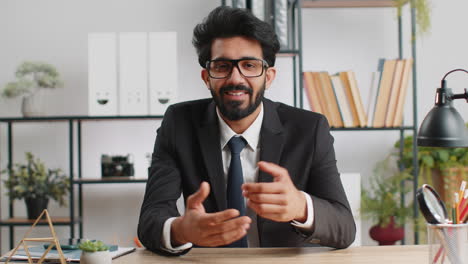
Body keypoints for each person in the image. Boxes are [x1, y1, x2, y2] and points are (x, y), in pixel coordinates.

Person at [138, 6, 356, 256]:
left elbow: (345, 227)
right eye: (222, 66)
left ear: (269, 76)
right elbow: (150, 219)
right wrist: (180, 230)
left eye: (249, 65)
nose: (235, 78)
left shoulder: (309, 128)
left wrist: (301, 207)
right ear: (206, 76)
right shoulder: (179, 123)